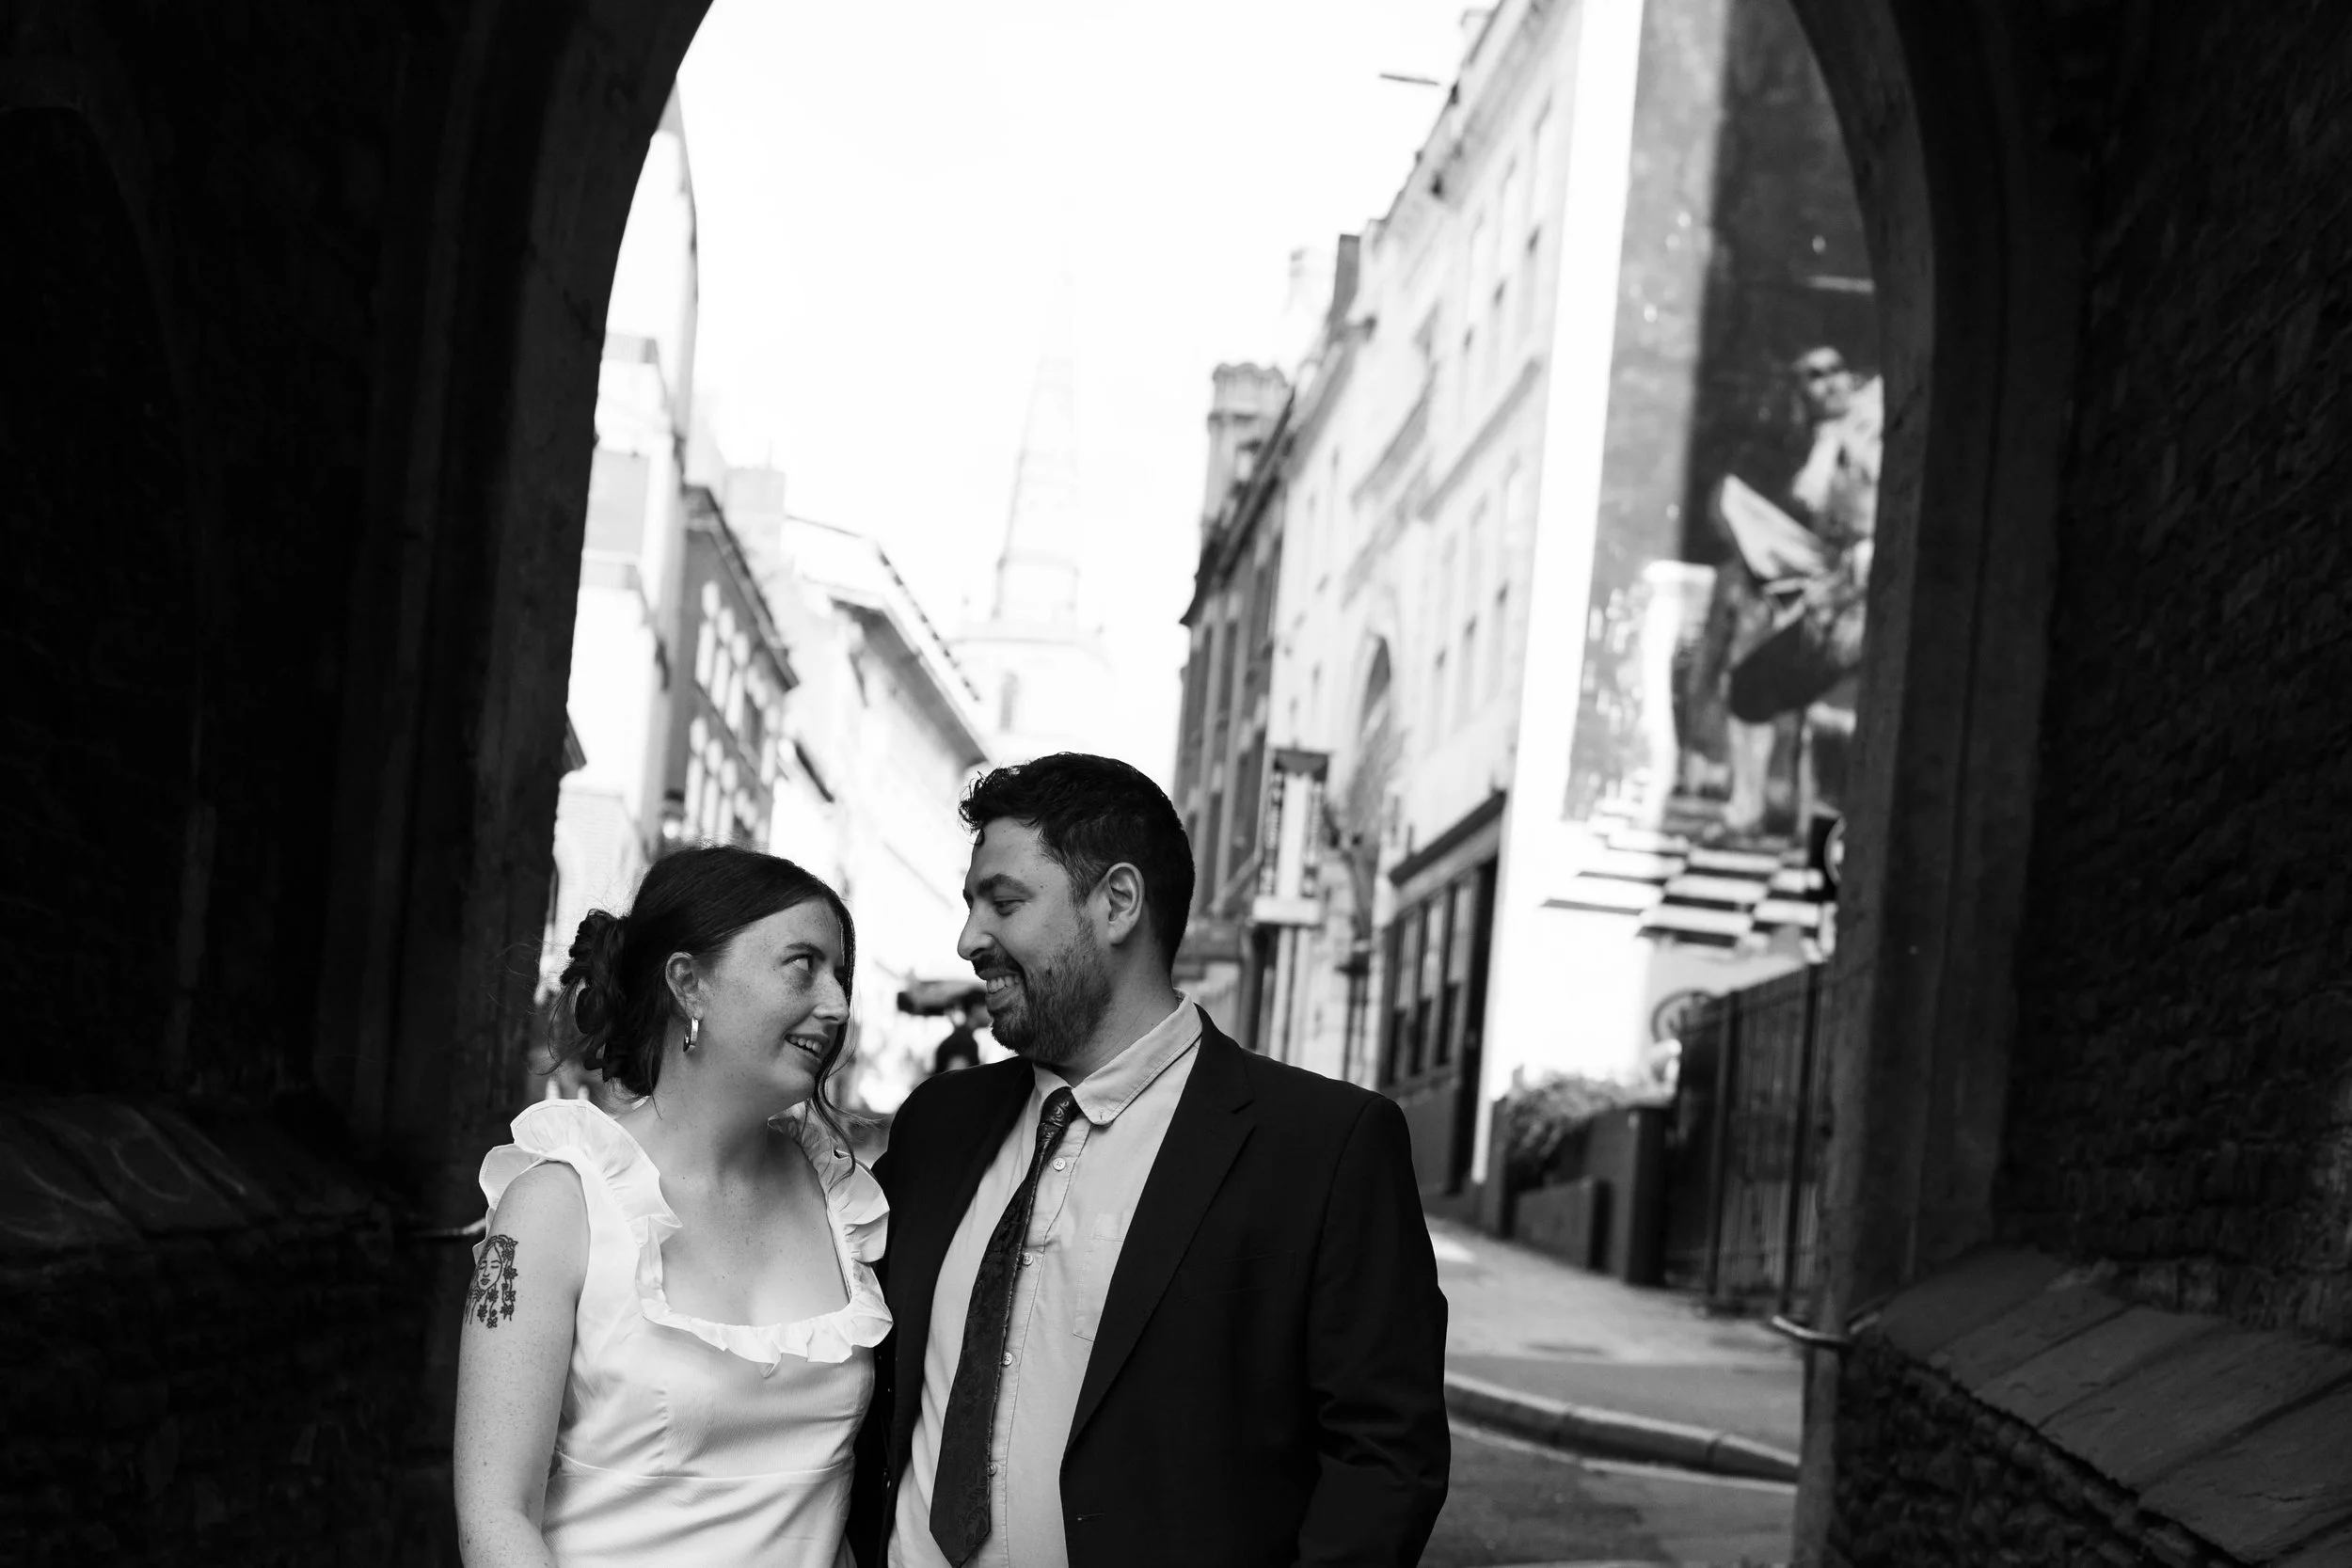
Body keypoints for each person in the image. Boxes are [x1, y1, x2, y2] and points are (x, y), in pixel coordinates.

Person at [850, 753, 1449, 1568]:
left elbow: (1385, 1462)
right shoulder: (939, 1125)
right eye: (971, 906)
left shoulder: (1324, 1147)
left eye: (1005, 902)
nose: (969, 940)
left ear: (1118, 902)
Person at [454, 845, 889, 1567]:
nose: (837, 1003)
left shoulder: (844, 1203)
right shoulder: (558, 1208)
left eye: (841, 974)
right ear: (691, 984)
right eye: (803, 965)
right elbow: (496, 1518)